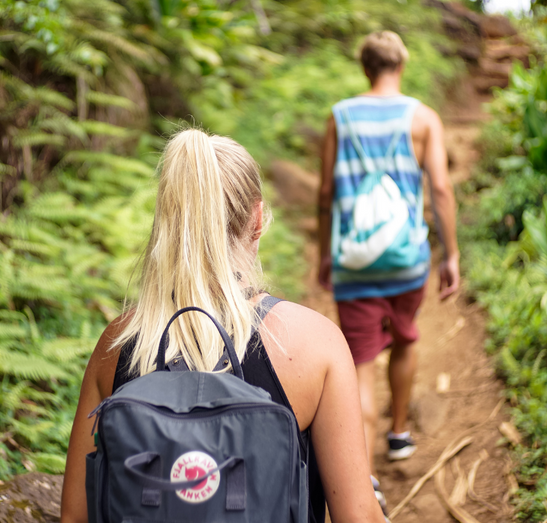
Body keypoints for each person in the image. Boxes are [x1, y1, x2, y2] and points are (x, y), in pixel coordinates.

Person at [61, 129, 386, 523]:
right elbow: (357, 517)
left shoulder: (117, 346)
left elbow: (76, 517)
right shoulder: (314, 343)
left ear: (167, 220)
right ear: (257, 219)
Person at [318, 31, 460, 500]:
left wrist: (325, 252)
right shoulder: (423, 118)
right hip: (407, 261)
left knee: (360, 365)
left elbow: (325, 195)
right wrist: (451, 254)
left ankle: (365, 479)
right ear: (401, 65)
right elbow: (440, 189)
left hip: (354, 262)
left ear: (365, 67)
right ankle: (398, 435)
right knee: (404, 339)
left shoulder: (339, 116)